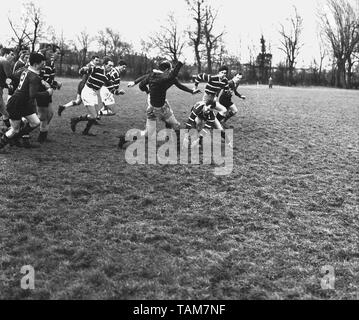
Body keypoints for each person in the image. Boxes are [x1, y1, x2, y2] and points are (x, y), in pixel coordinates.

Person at [118, 60, 200, 148]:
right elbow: (173, 76)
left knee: (151, 132)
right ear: (166, 70)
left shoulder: (152, 76)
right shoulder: (163, 78)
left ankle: (125, 138)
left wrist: (147, 91)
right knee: (174, 125)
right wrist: (180, 63)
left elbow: (141, 85)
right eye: (169, 70)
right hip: (159, 109)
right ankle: (177, 146)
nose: (170, 72)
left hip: (155, 108)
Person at [0, 52, 53, 149]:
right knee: (14, 130)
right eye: (42, 63)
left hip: (24, 103)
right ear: (36, 64)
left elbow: (13, 77)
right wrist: (48, 93)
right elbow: (32, 95)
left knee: (35, 122)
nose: (44, 65)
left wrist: (42, 82)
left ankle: (15, 138)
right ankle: (2, 143)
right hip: (16, 103)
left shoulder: (25, 70)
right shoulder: (34, 77)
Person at [70, 57, 114, 136]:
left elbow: (110, 87)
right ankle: (75, 120)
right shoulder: (97, 69)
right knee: (94, 115)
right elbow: (88, 69)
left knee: (95, 115)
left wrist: (118, 92)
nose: (111, 68)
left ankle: (85, 131)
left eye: (112, 66)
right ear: (104, 64)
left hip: (94, 94)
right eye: (109, 65)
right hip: (87, 92)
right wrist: (83, 69)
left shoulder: (107, 75)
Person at [36, 45, 62, 143]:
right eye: (57, 53)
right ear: (52, 53)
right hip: (42, 91)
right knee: (42, 116)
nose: (59, 55)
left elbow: (48, 79)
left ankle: (43, 136)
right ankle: (22, 129)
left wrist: (54, 84)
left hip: (48, 92)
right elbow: (42, 79)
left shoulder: (51, 63)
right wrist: (56, 83)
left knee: (50, 114)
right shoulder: (46, 63)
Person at [0, 48, 16, 129]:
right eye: (11, 54)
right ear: (6, 54)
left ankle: (9, 129)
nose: (13, 56)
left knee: (5, 112)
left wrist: (6, 85)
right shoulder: (4, 61)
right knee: (4, 111)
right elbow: (10, 76)